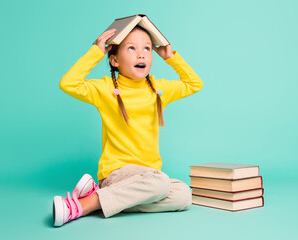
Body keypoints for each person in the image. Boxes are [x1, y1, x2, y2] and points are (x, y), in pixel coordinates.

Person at [53, 24, 204, 227]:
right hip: (117, 175)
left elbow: (194, 83)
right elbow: (68, 83)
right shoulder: (105, 89)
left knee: (184, 195)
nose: (141, 55)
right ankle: (82, 205)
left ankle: (103, 198)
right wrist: (95, 53)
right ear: (114, 60)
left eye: (147, 48)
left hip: (148, 179)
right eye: (132, 48)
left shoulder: (158, 89)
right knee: (160, 183)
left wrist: (171, 57)